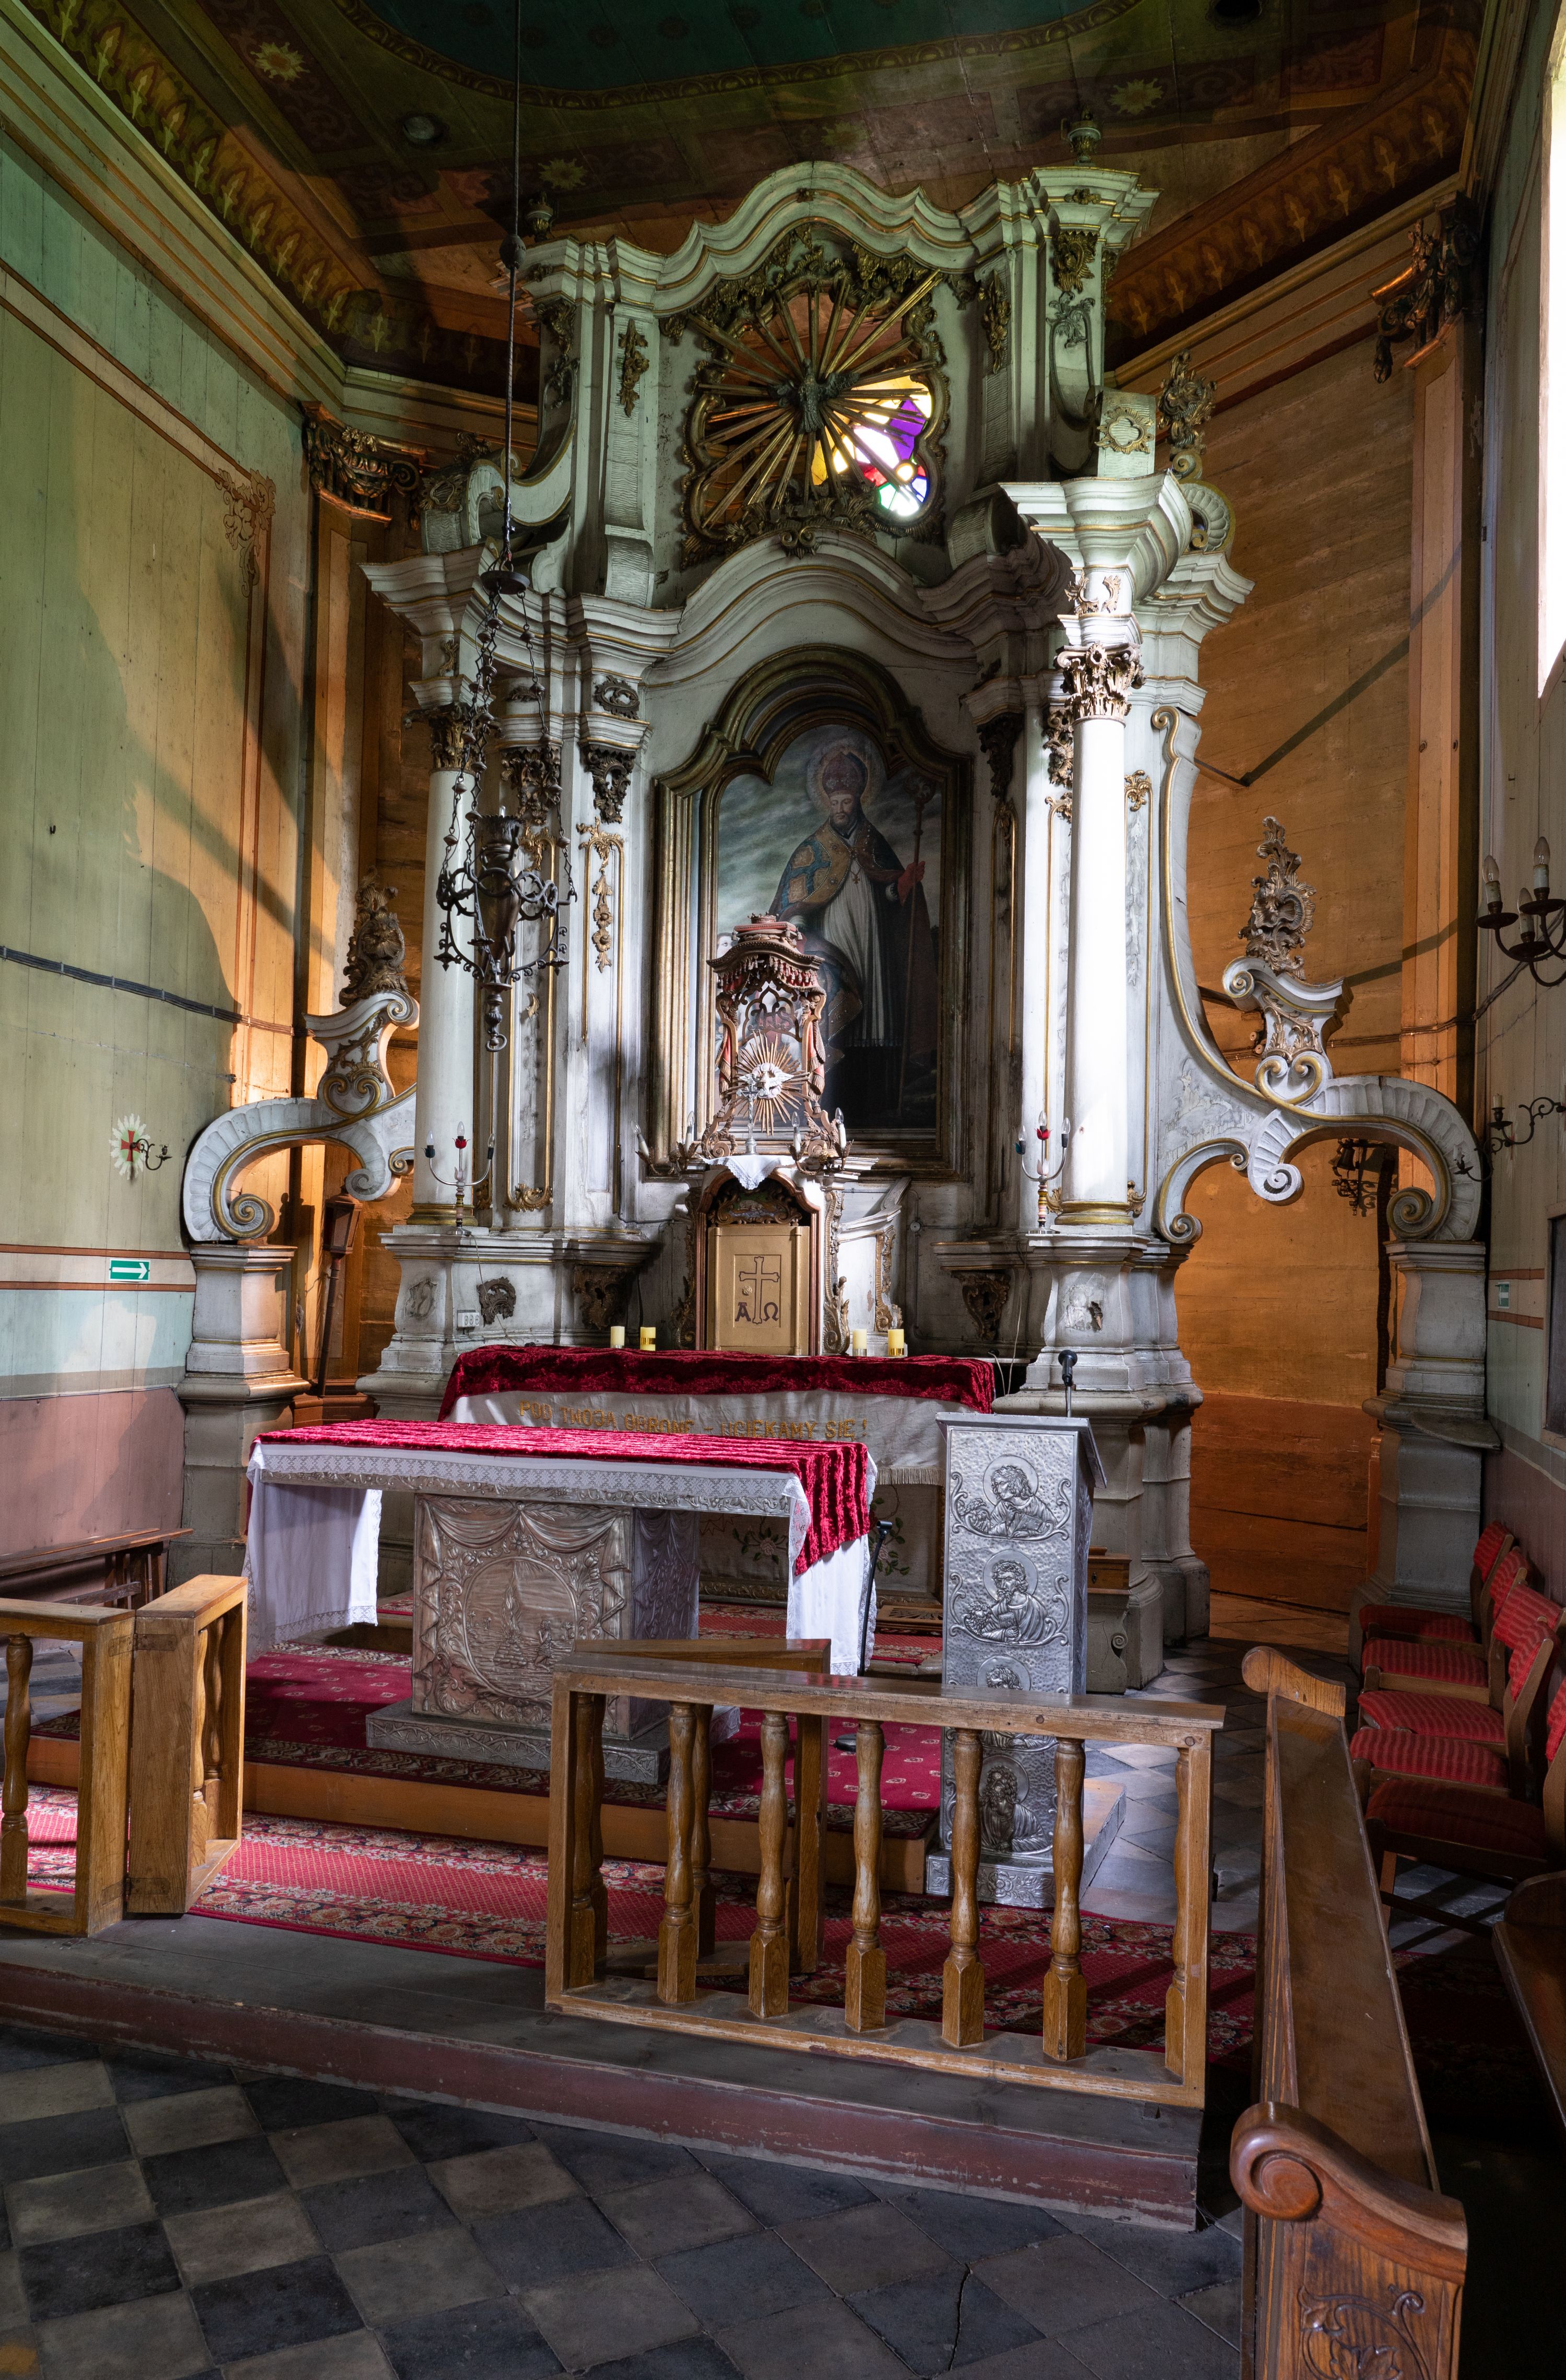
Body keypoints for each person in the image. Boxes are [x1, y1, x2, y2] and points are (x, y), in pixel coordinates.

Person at [769, 738, 935, 1123]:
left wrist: (902, 886)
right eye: (835, 803)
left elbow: (889, 894)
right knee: (835, 1013)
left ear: (858, 800)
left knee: (875, 1011)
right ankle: (830, 1096)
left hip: (872, 943)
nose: (841, 809)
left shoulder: (873, 842)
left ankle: (877, 1100)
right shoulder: (812, 850)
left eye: (847, 802)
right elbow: (792, 909)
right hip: (833, 943)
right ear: (827, 804)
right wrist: (798, 934)